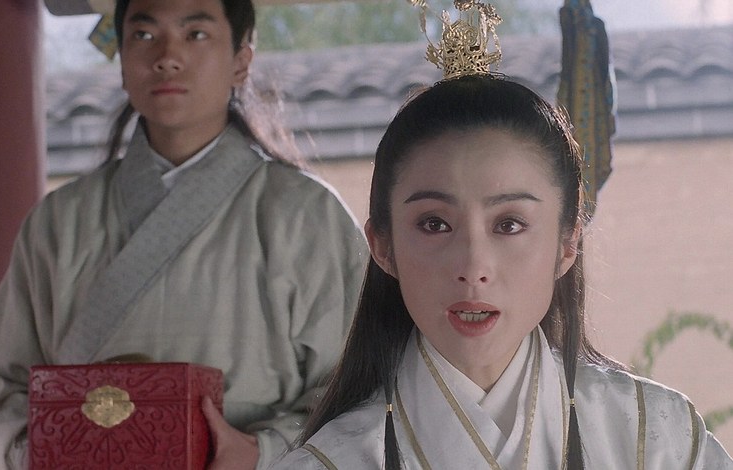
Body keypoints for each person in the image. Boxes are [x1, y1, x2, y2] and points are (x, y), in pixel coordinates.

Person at [0, 0, 367, 468]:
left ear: (241, 60)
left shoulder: (308, 214)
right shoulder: (58, 221)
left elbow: (362, 386)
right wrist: (41, 453)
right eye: (144, 35)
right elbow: (1, 389)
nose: (167, 57)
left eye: (195, 34)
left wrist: (264, 451)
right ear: (122, 61)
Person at [272, 74, 733, 469]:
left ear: (567, 243)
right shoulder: (329, 462)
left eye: (509, 224)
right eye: (434, 224)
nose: (473, 267)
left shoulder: (660, 439)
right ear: (383, 246)